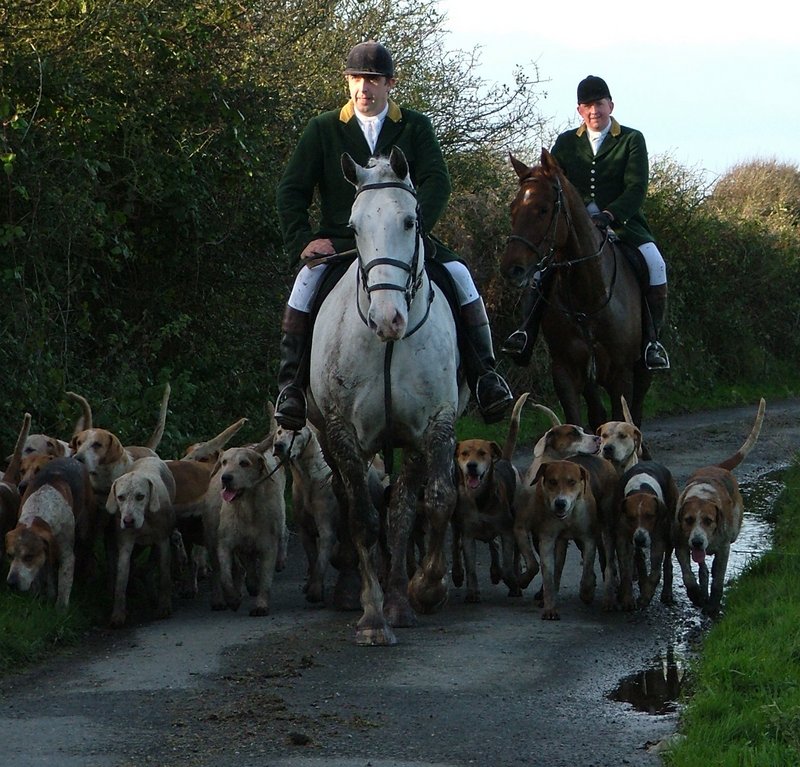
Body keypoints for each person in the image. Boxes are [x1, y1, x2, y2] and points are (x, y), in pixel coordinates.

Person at [273, 40, 514, 430]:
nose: (363, 88)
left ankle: (485, 375)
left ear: (390, 84)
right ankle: (291, 388)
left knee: (461, 277)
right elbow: (291, 190)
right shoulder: (322, 128)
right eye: (356, 79)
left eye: (372, 80)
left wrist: (414, 227)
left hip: (405, 244)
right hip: (342, 243)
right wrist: (303, 239)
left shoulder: (415, 126)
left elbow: (437, 181)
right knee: (304, 285)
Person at [502, 74, 670, 371]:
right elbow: (551, 183)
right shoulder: (566, 142)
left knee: (656, 266)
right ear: (580, 110)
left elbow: (636, 188)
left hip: (621, 224)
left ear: (610, 106)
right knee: (541, 271)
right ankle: (525, 332)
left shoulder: (631, 139)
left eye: (599, 104)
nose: (595, 111)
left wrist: (610, 214)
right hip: (575, 228)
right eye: (588, 106)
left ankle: (651, 342)